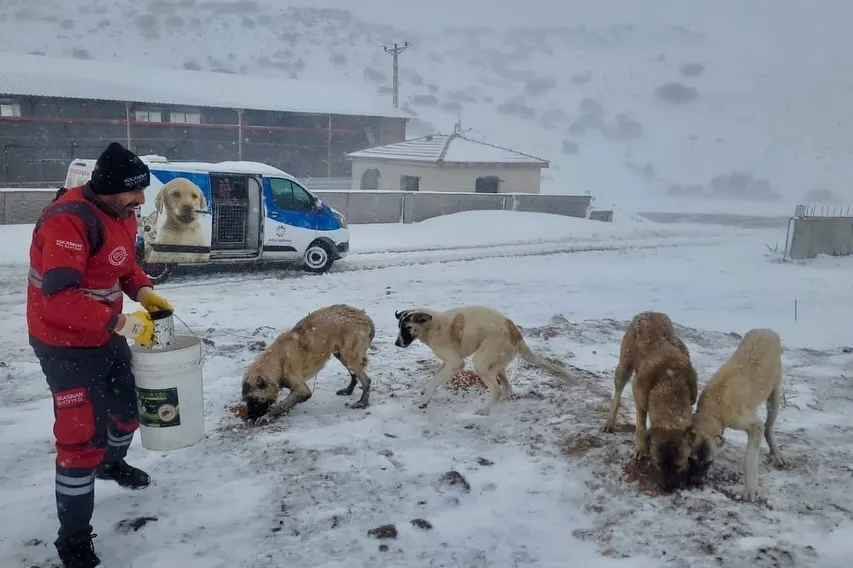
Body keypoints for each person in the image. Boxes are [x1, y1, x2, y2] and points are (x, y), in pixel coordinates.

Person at [26, 142, 175, 568]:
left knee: (130, 407)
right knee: (79, 440)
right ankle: (72, 541)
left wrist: (143, 290)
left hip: (102, 332)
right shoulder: (68, 222)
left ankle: (112, 464)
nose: (142, 200)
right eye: (135, 192)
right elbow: (58, 297)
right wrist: (122, 324)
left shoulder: (122, 216)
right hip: (62, 343)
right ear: (109, 188)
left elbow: (122, 265)